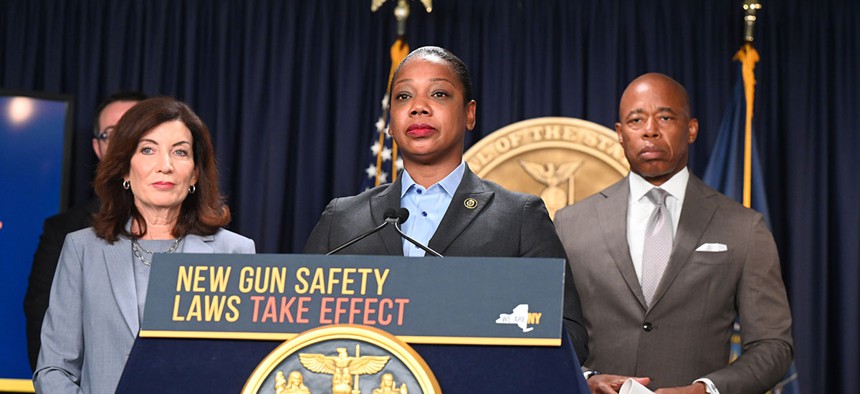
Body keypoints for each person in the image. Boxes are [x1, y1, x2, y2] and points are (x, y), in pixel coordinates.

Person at [304, 46, 588, 362]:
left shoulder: (519, 217)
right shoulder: (341, 219)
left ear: (469, 114)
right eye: (403, 97)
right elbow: (299, 326)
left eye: (439, 94)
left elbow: (569, 337)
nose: (418, 107)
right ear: (391, 118)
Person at [554, 73, 793, 393]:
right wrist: (586, 378)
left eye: (665, 117)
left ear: (691, 129)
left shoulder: (743, 227)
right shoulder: (571, 223)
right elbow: (548, 330)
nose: (650, 130)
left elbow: (773, 346)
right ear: (620, 134)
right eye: (636, 120)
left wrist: (708, 389)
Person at [33, 97, 256, 393]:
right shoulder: (82, 249)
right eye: (148, 149)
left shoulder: (235, 252)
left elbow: (243, 370)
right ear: (125, 169)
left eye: (180, 152)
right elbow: (54, 369)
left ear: (194, 173)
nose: (165, 166)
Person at [23, 91, 147, 371]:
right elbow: (43, 332)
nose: (124, 143)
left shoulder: (201, 232)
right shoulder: (64, 231)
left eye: (136, 130)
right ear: (97, 147)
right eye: (113, 133)